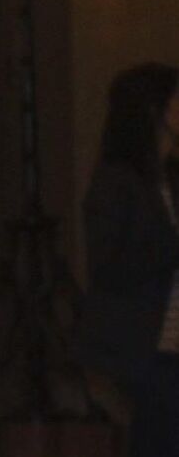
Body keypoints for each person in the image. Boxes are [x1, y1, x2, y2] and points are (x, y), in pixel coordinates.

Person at [79, 63, 179, 457]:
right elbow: (107, 266)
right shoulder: (116, 183)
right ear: (156, 110)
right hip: (145, 349)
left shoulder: (169, 179)